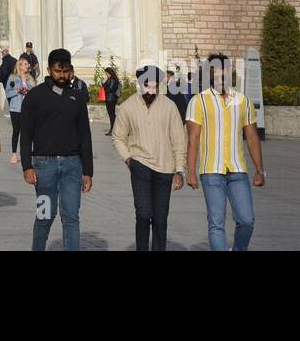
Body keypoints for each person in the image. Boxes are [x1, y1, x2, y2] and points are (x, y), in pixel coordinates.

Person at [186, 54, 265, 252]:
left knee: (246, 220)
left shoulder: (242, 101)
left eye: (223, 69)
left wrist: (259, 170)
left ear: (229, 72)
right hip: (211, 171)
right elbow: (193, 139)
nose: (220, 73)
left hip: (238, 170)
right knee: (216, 223)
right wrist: (191, 172)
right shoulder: (198, 102)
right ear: (208, 73)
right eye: (214, 69)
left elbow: (253, 137)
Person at [20, 48, 93, 251]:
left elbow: (85, 136)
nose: (62, 76)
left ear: (71, 70)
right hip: (44, 167)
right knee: (45, 216)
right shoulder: (35, 97)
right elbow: (25, 134)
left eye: (66, 71)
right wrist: (27, 166)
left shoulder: (77, 98)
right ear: (48, 69)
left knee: (71, 216)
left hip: (72, 166)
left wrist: (88, 171)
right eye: (57, 71)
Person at [112, 65, 186, 251]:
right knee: (144, 215)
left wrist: (179, 170)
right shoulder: (128, 106)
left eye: (154, 87)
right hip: (140, 167)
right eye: (147, 86)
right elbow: (118, 136)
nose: (150, 91)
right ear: (140, 85)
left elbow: (178, 139)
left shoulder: (169, 106)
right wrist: (128, 159)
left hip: (165, 169)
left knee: (160, 219)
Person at [5, 56, 37, 165]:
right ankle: (14, 154)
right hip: (15, 108)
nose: (27, 66)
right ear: (20, 66)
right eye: (25, 64)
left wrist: (28, 91)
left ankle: (26, 154)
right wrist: (17, 91)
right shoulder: (13, 77)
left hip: (27, 109)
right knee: (16, 131)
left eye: (27, 64)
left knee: (27, 132)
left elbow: (35, 92)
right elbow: (8, 93)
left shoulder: (30, 78)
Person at [101, 66, 122, 136]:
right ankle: (115, 129)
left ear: (109, 72)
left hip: (110, 99)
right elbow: (106, 87)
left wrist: (104, 87)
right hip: (111, 99)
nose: (105, 74)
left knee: (112, 115)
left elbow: (109, 89)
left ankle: (113, 130)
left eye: (106, 73)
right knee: (112, 115)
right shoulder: (111, 79)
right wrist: (103, 83)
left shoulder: (112, 79)